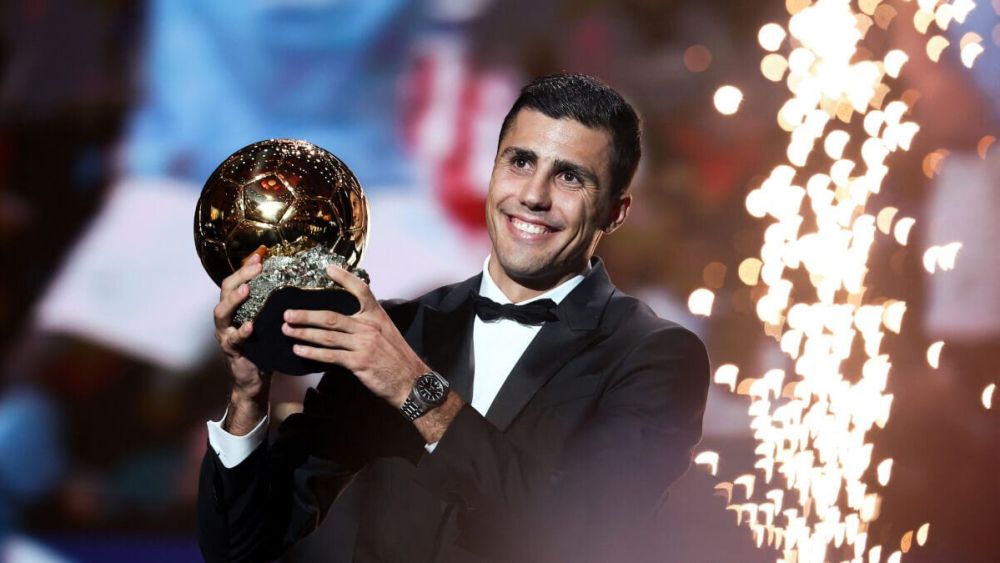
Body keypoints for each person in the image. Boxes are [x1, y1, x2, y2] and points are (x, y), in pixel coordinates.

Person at [197, 73, 710, 562]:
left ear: (615, 213)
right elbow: (241, 546)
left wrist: (418, 392)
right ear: (492, 171)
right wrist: (248, 395)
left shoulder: (655, 356)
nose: (533, 195)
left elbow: (583, 534)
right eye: (520, 162)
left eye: (570, 176)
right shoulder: (397, 331)